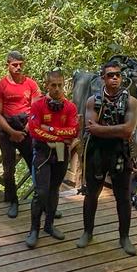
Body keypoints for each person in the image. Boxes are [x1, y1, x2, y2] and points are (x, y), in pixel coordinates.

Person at [77, 58, 137, 256]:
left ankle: (124, 236)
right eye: (110, 75)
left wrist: (102, 129)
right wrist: (116, 130)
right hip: (97, 152)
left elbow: (128, 130)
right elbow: (91, 128)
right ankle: (87, 232)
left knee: (123, 197)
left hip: (120, 152)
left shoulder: (131, 102)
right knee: (91, 193)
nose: (114, 78)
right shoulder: (93, 101)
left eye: (117, 75)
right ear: (103, 78)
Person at [25, 70, 80, 249]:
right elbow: (34, 130)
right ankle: (34, 230)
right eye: (53, 85)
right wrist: (59, 135)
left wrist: (49, 130)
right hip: (42, 153)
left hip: (61, 153)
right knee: (41, 192)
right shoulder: (38, 105)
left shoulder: (70, 107)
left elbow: (73, 131)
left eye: (60, 85)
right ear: (47, 86)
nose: (57, 89)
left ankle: (49, 225)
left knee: (54, 189)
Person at [0, 51, 41, 218]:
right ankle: (13, 201)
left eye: (20, 64)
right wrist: (11, 132)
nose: (18, 67)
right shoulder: (0, 86)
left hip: (27, 127)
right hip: (7, 129)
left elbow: (36, 110)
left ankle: (43, 202)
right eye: (14, 65)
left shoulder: (31, 84)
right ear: (8, 65)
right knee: (8, 167)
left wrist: (25, 131)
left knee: (35, 165)